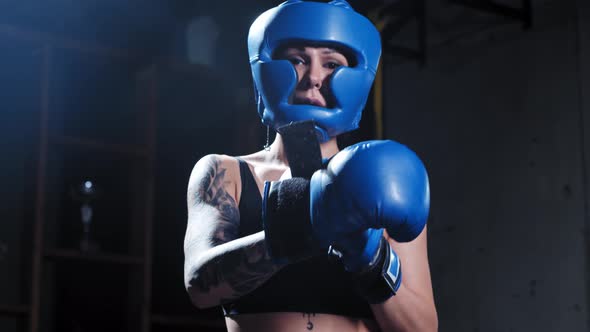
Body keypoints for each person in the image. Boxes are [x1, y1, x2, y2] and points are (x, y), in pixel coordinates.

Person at [183, 1, 438, 331]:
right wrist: (303, 226)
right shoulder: (226, 172)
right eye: (296, 60)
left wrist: (371, 257)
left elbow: (421, 329)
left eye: (332, 64)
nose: (314, 77)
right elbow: (199, 286)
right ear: (267, 72)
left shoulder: (385, 180)